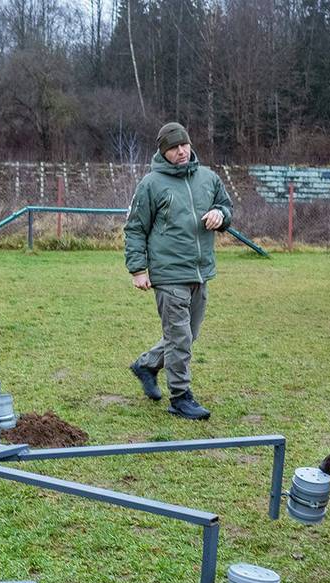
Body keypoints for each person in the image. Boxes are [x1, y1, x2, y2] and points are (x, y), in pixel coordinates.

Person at [124, 121, 233, 420]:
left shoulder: (208, 178)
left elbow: (227, 207)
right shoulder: (151, 184)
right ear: (163, 151)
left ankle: (146, 365)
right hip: (168, 274)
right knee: (180, 338)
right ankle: (181, 397)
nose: (181, 151)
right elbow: (135, 228)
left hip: (200, 272)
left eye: (184, 144)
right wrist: (137, 269)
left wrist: (220, 214)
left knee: (186, 335)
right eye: (173, 147)